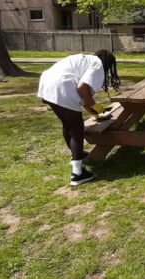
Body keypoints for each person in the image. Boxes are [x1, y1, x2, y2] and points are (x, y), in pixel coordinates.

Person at [37, 50, 120, 186]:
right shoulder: (97, 64)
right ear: (108, 63)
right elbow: (83, 88)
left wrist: (94, 112)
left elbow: (81, 94)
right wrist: (96, 106)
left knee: (68, 124)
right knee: (77, 130)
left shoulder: (84, 59)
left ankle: (77, 156)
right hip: (61, 86)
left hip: (46, 84)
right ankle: (77, 174)